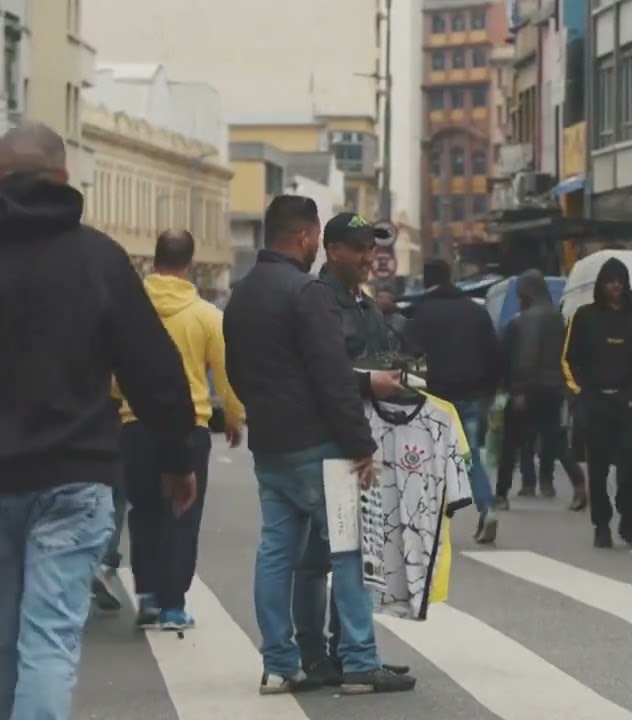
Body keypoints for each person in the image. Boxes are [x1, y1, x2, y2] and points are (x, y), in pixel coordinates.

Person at [0, 122, 197, 720]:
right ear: (65, 178)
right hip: (75, 472)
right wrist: (177, 458)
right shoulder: (98, 259)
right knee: (49, 641)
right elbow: (154, 369)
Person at [222, 196, 415, 695]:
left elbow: (236, 373)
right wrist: (362, 445)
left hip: (270, 446)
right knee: (347, 551)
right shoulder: (307, 291)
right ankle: (357, 661)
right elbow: (331, 377)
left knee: (277, 553)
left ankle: (282, 663)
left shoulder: (241, 294)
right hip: (319, 445)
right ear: (308, 236)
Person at [291, 212, 412, 684]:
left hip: (363, 440)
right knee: (322, 557)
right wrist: (369, 382)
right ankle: (319, 655)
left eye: (372, 249)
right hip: (328, 443)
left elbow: (380, 359)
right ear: (332, 249)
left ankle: (344, 653)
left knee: (353, 553)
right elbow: (323, 373)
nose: (368, 258)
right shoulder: (318, 301)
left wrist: (405, 377)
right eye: (360, 249)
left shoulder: (363, 305)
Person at [116, 230, 245, 631]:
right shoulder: (207, 317)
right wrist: (235, 419)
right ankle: (174, 605)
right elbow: (228, 376)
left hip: (133, 424)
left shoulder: (127, 314)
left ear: (154, 262)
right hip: (190, 427)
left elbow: (111, 373)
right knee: (182, 513)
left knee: (144, 512)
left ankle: (149, 597)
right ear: (189, 264)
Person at [562, 258, 632, 548]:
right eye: (609, 281)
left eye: (620, 280)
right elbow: (568, 360)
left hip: (629, 404)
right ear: (601, 285)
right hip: (596, 404)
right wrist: (582, 394)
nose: (615, 286)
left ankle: (628, 519)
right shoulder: (583, 317)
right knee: (598, 467)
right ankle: (602, 524)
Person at [402, 259, 504, 542]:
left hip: (435, 396)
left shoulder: (422, 313)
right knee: (469, 455)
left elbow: (409, 355)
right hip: (472, 394)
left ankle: (431, 523)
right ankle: (487, 508)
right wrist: (488, 389)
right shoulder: (475, 311)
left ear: (426, 280)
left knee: (430, 458)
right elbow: (494, 354)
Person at [496, 269, 588, 512]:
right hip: (554, 389)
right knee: (557, 440)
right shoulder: (560, 320)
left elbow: (523, 357)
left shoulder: (522, 321)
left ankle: (501, 493)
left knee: (511, 443)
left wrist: (517, 390)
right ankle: (579, 484)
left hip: (528, 390)